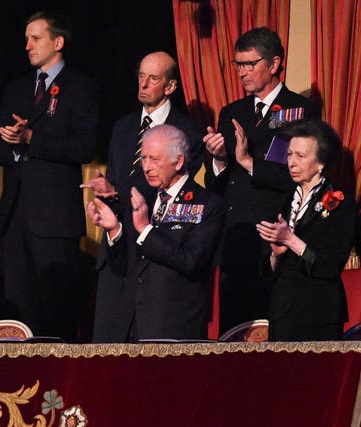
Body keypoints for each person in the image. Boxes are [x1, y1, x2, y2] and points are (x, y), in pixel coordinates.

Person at [0, 11, 99, 342]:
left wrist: (32, 140)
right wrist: (12, 143)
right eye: (26, 39)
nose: (28, 45)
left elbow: (84, 148)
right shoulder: (17, 89)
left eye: (35, 38)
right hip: (15, 215)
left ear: (58, 42)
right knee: (20, 311)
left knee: (55, 309)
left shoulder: (81, 88)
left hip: (54, 217)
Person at [80, 51, 204, 342]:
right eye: (140, 76)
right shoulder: (123, 127)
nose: (144, 84)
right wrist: (106, 190)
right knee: (107, 347)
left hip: (153, 255)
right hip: (115, 247)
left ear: (170, 87)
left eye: (154, 78)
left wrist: (118, 193)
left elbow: (170, 191)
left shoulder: (186, 132)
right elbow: (115, 178)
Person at [202, 27, 319, 333]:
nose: (242, 72)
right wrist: (219, 159)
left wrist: (247, 162)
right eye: (238, 64)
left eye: (250, 64)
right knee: (234, 339)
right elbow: (216, 186)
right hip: (236, 240)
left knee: (273, 339)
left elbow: (300, 177)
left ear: (275, 63)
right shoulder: (232, 112)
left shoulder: (301, 111)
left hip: (274, 239)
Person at [86, 124, 224, 340]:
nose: (146, 167)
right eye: (143, 159)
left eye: (154, 159)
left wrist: (146, 230)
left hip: (173, 327)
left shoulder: (207, 204)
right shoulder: (142, 198)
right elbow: (124, 267)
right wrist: (114, 230)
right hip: (131, 325)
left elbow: (191, 261)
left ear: (178, 161)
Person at [256, 120, 356, 341]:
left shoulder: (341, 203)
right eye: (289, 154)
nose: (291, 162)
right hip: (282, 309)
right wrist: (275, 253)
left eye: (300, 156)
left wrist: (291, 240)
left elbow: (330, 266)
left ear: (320, 163)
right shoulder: (284, 199)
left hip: (319, 312)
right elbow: (267, 270)